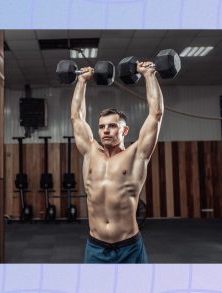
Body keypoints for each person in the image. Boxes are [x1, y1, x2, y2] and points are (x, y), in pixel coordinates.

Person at [70, 61, 164, 263]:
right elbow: (77, 117)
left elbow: (155, 114)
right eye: (102, 126)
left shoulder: (136, 155)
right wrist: (81, 81)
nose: (105, 131)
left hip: (129, 247)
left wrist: (149, 75)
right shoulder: (90, 152)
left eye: (112, 126)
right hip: (95, 247)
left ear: (124, 131)